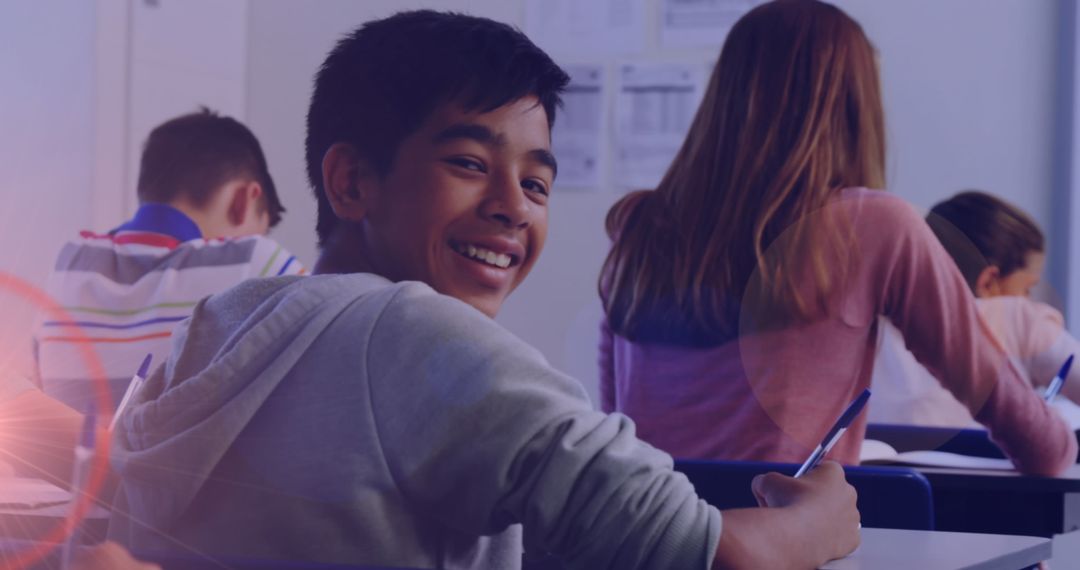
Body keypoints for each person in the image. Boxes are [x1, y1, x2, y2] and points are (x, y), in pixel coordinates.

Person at [105, 10, 859, 570]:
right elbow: (714, 556)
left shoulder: (223, 323)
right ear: (352, 180)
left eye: (536, 181)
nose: (513, 204)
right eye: (470, 162)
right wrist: (824, 521)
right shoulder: (415, 334)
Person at [597, 0, 1076, 474]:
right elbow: (1038, 443)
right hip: (782, 545)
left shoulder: (638, 226)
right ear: (854, 105)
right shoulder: (874, 225)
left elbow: (615, 426)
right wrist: (1057, 438)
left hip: (644, 540)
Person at [0, 109, 303, 484]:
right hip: (167, 529)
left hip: (65, 522)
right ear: (245, 200)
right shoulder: (255, 260)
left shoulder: (70, 265)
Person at [871, 190, 1080, 427]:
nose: (1028, 300)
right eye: (1027, 288)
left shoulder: (878, 325)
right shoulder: (1018, 318)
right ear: (988, 282)